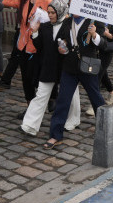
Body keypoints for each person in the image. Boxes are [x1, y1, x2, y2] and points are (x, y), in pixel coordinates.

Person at [43, 15, 106, 149]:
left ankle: (106, 128)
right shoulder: (67, 21)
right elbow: (60, 39)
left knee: (96, 99)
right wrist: (62, 45)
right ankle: (55, 135)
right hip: (69, 67)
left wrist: (94, 34)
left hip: (87, 66)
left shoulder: (94, 21)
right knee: (63, 100)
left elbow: (103, 44)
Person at [20, 0, 80, 135]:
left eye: (53, 12)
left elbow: (73, 44)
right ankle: (29, 125)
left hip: (66, 65)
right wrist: (35, 33)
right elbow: (39, 46)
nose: (51, 15)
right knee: (41, 94)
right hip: (48, 66)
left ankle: (73, 120)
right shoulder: (45, 26)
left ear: (60, 12)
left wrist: (65, 47)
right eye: (49, 12)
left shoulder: (70, 25)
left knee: (71, 94)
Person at [3, 0, 52, 109]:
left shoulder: (46, 1)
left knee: (37, 79)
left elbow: (54, 20)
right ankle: (30, 108)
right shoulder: (23, 1)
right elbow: (6, 1)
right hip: (23, 46)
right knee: (26, 80)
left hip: (39, 47)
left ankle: (50, 100)